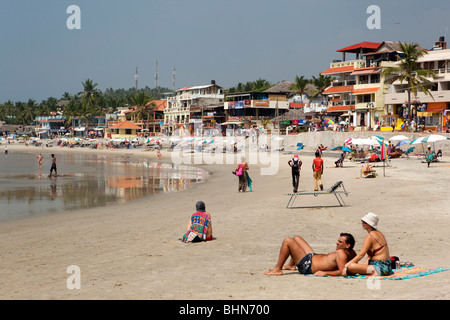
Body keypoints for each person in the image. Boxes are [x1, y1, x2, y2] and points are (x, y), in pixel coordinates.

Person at [264, 233, 356, 276]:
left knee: (287, 241)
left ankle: (277, 269)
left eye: (340, 242)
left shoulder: (341, 253)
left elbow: (341, 271)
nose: (337, 243)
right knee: (297, 238)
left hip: (308, 265)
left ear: (347, 245)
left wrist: (324, 272)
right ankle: (291, 265)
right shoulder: (352, 252)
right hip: (312, 257)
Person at [343, 212, 393, 277]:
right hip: (387, 266)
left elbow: (361, 255)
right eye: (362, 221)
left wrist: (346, 265)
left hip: (379, 269)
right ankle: (370, 271)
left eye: (365, 222)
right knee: (360, 265)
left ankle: (374, 272)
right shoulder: (379, 233)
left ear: (370, 224)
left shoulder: (370, 236)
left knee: (351, 267)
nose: (362, 223)